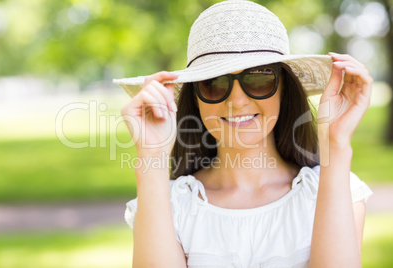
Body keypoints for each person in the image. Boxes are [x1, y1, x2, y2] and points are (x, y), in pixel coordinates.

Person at [114, 0, 373, 267]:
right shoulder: (171, 205)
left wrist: (336, 145)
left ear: (285, 88)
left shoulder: (332, 189)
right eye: (214, 83)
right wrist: (152, 156)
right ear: (196, 98)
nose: (237, 102)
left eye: (259, 78)